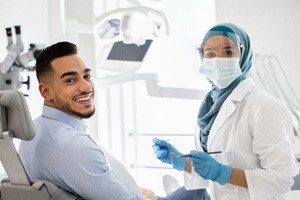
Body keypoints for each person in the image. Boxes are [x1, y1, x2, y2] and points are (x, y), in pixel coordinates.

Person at [152, 23, 299, 200]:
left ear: (244, 56)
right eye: (210, 54)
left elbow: (283, 179)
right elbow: (214, 165)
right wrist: (183, 163)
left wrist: (222, 173)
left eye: (228, 52)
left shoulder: (265, 107)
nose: (217, 60)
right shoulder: (209, 107)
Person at [18, 41, 146, 200]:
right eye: (70, 80)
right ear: (46, 91)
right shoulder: (74, 146)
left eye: (86, 76)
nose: (86, 87)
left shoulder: (33, 131)